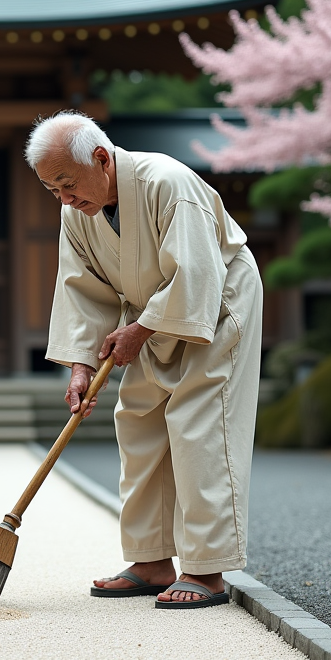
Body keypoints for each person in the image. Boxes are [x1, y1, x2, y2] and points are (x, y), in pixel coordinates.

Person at [26, 111, 262, 609]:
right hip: (146, 314)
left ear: (101, 159)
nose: (65, 200)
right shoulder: (77, 214)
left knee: (200, 422)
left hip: (216, 305)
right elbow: (81, 291)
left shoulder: (169, 182)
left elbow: (197, 272)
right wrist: (81, 366)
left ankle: (206, 569)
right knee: (138, 420)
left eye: (68, 184)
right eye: (53, 190)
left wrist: (141, 329)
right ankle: (152, 560)